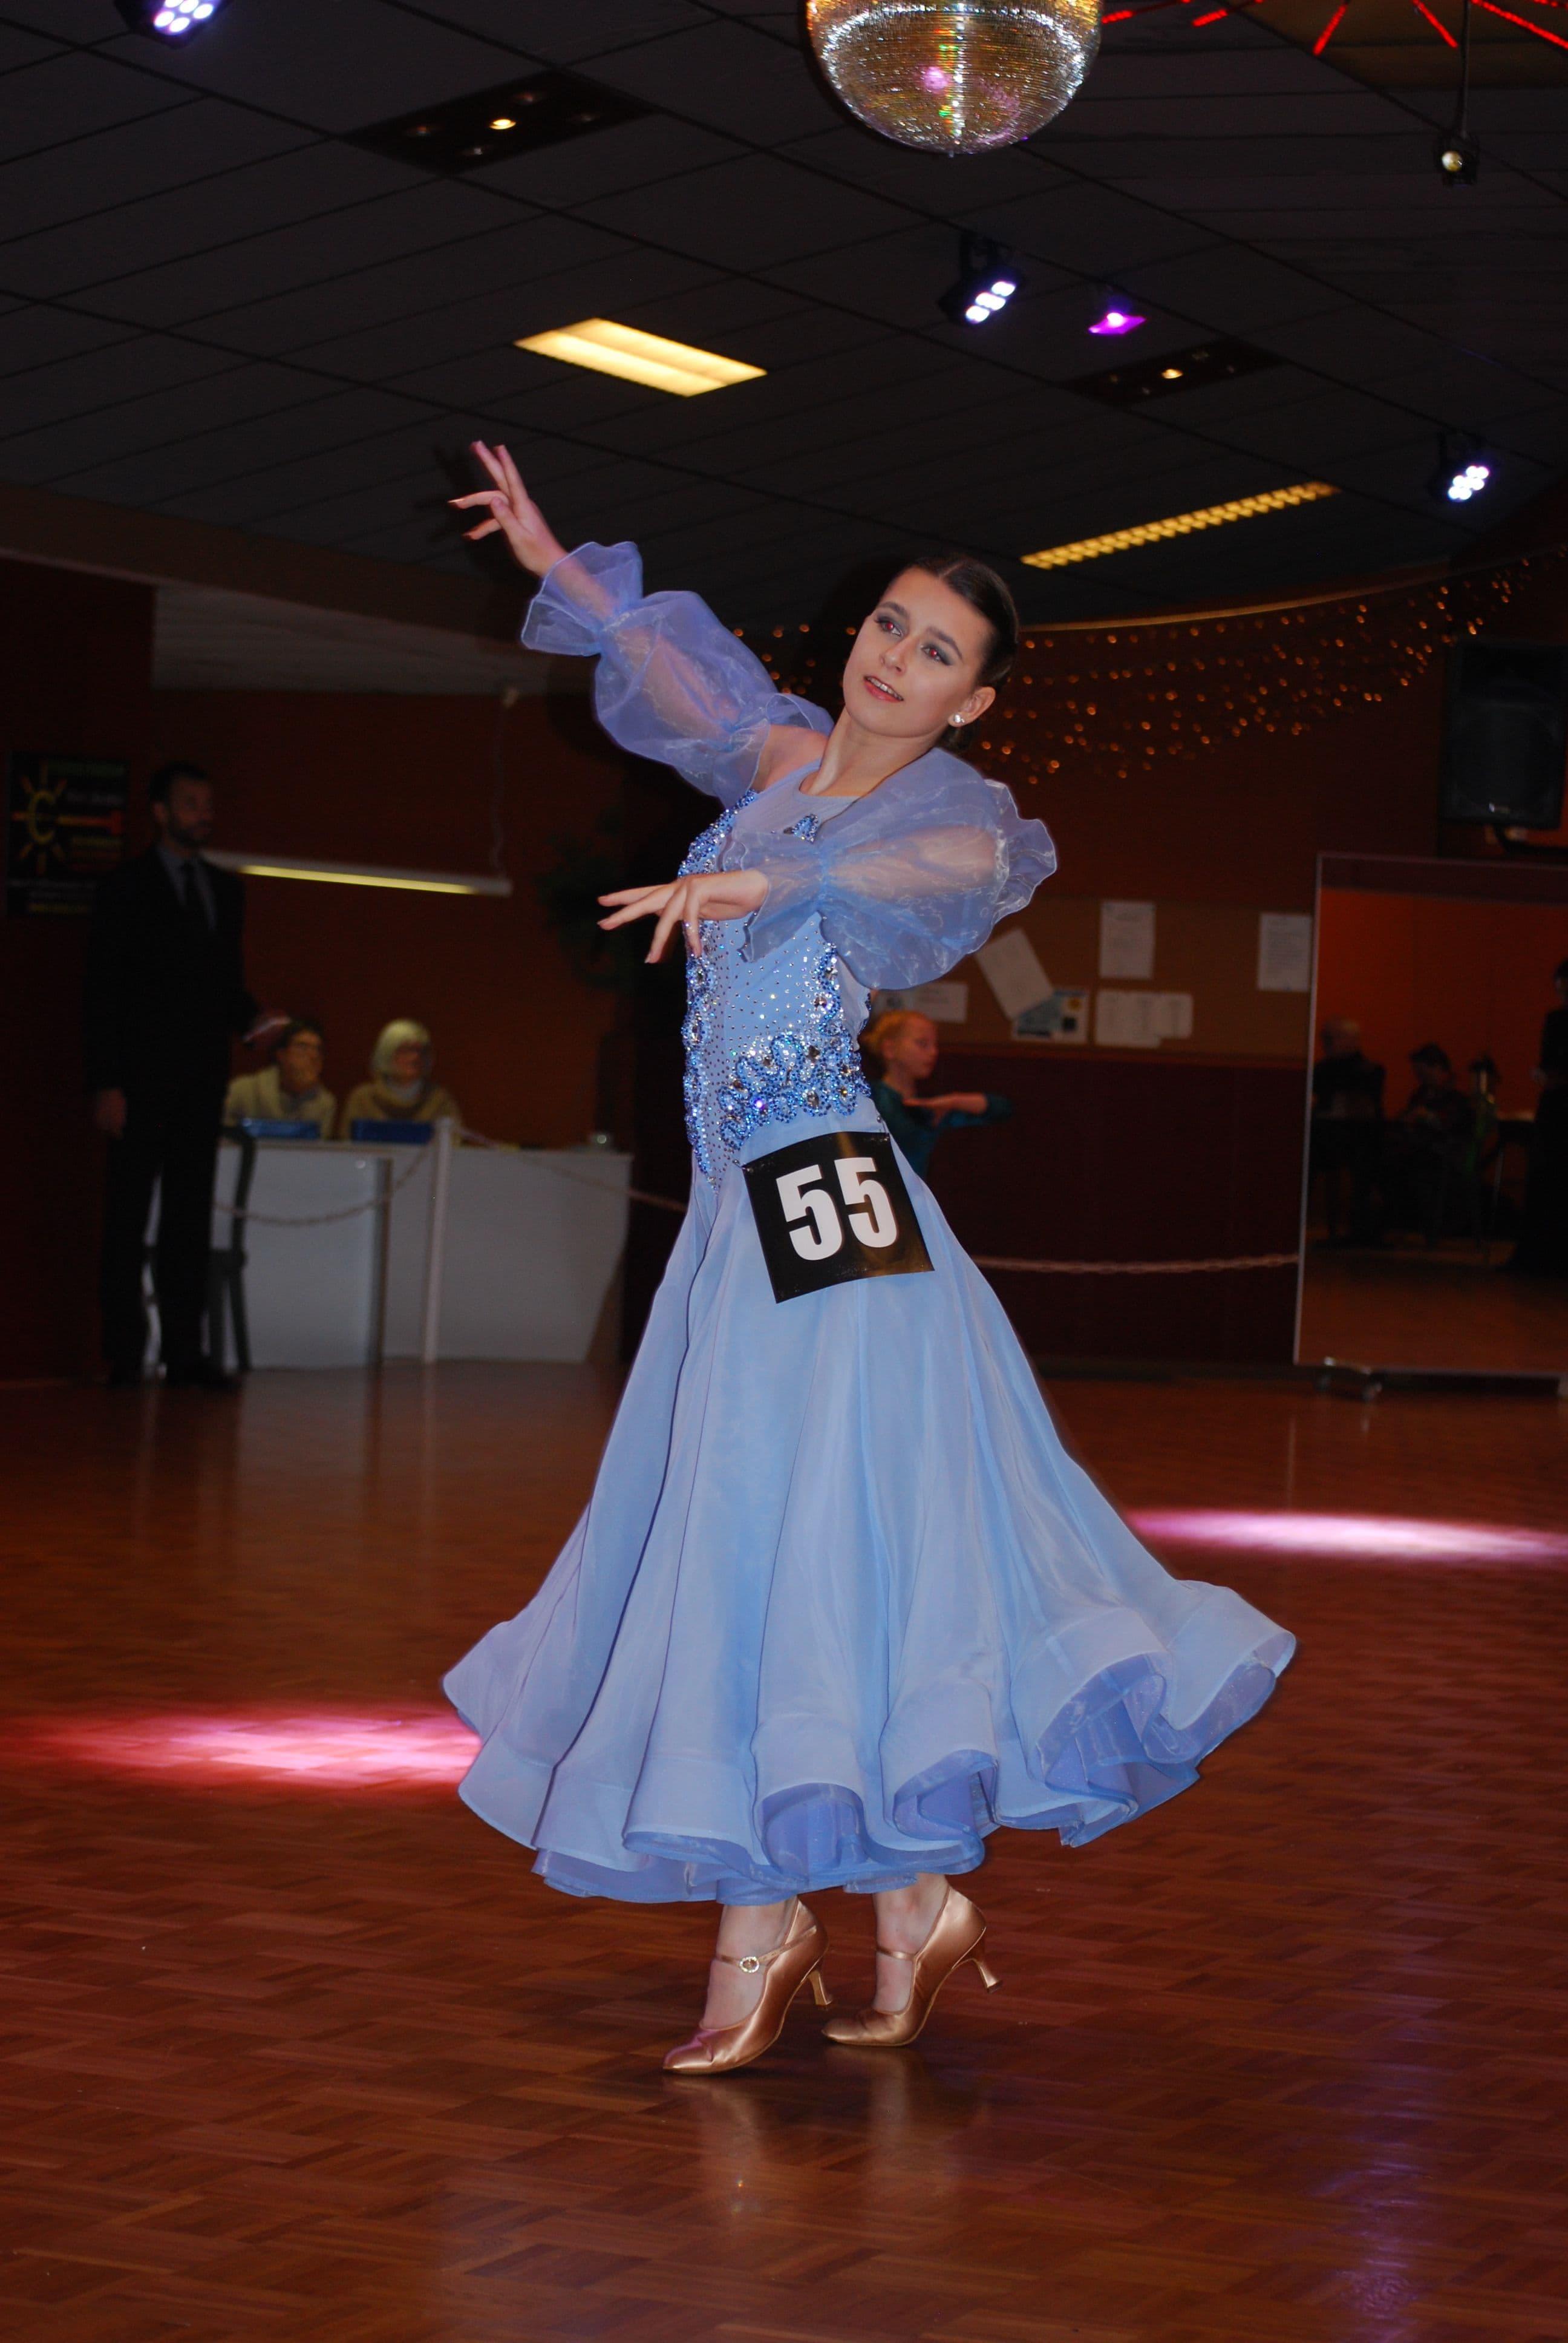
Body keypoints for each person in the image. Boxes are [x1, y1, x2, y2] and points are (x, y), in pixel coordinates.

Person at [442, 442, 1295, 2077]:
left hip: (833, 1211)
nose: (896, 659)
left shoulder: (948, 813)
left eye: (936, 653)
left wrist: (788, 872)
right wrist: (556, 559)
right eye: (890, 627)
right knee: (774, 1551)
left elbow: (950, 876)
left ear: (973, 702)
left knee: (785, 1545)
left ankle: (767, 1926)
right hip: (739, 1225)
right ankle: (902, 1902)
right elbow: (674, 671)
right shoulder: (777, 756)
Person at [85, 761, 274, 1391]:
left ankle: (185, 1354)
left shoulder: (225, 889)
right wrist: (106, 1082)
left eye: (208, 803)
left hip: (200, 1077)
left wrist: (249, 1017)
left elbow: (224, 980)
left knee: (189, 1217)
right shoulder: (125, 888)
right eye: (190, 802)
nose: (203, 813)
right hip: (137, 1081)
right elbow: (103, 993)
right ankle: (122, 1352)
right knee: (127, 1214)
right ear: (160, 812)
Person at [861, 1007, 1012, 1181]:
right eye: (922, 1044)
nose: (934, 1052)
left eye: (935, 1045)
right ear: (890, 1049)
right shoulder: (870, 1098)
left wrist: (955, 1102)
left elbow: (1002, 1109)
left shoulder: (930, 1110)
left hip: (915, 1201)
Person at [1509, 957, 1568, 1274]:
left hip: (1558, 1103)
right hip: (1556, 1105)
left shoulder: (1557, 1020)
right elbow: (1547, 1061)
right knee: (1547, 1174)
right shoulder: (1556, 1020)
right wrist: (1543, 1074)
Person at [1309, 1017, 1384, 1245]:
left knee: (1365, 1165)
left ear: (1351, 1040)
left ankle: (1360, 1229)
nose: (1327, 1043)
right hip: (1325, 1137)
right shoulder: (1320, 1069)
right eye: (1325, 1038)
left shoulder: (1369, 1071)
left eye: (1332, 1038)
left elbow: (1361, 1109)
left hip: (1358, 1140)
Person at [338, 1020, 461, 1136]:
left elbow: (453, 1145)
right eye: (406, 1050)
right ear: (387, 1053)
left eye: (420, 1051)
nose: (414, 1057)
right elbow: (347, 1147)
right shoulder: (363, 1099)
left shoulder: (439, 1101)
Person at [225, 1019, 336, 1136]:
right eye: (302, 1047)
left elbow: (313, 1150)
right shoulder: (243, 1091)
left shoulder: (325, 1103)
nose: (313, 1056)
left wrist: (305, 1095)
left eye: (318, 1049)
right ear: (281, 1054)